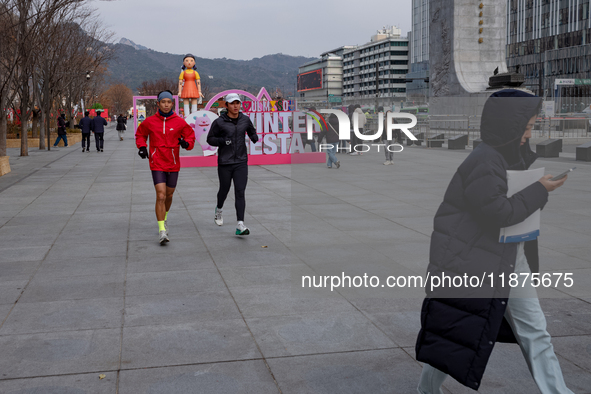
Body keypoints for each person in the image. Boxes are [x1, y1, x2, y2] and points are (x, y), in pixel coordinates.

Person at [415, 90, 572, 394]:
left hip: (507, 258)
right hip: (476, 261)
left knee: (533, 331)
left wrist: (537, 187)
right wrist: (540, 189)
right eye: (526, 127)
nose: (529, 134)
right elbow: (498, 212)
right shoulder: (485, 160)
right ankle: (426, 389)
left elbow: (515, 206)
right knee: (456, 329)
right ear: (508, 126)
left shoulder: (503, 155)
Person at [135, 90, 195, 245]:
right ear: (158, 103)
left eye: (169, 102)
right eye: (163, 102)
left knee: (169, 195)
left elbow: (190, 135)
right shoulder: (149, 121)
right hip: (156, 162)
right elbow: (140, 134)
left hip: (173, 163)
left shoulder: (179, 122)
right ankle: (162, 231)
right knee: (160, 195)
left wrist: (186, 144)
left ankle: (164, 217)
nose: (166, 104)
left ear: (172, 104)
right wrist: (142, 147)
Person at [207, 93, 258, 235]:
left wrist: (254, 137)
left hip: (241, 161)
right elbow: (210, 139)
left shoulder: (245, 120)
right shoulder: (219, 122)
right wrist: (222, 141)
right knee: (224, 189)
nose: (236, 106)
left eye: (238, 103)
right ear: (226, 105)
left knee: (240, 191)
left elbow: (251, 131)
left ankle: (240, 224)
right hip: (225, 161)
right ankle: (219, 209)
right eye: (232, 103)